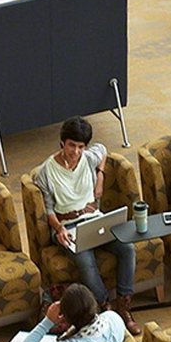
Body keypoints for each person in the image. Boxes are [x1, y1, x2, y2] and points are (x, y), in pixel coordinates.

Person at [34, 118, 139, 322]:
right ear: (62, 143)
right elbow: (48, 210)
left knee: (127, 248)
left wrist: (100, 176)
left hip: (94, 220)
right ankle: (106, 308)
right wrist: (58, 229)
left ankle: (124, 306)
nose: (75, 151)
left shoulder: (89, 157)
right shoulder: (46, 172)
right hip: (68, 226)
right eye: (71, 145)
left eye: (81, 147)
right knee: (86, 260)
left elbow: (103, 149)